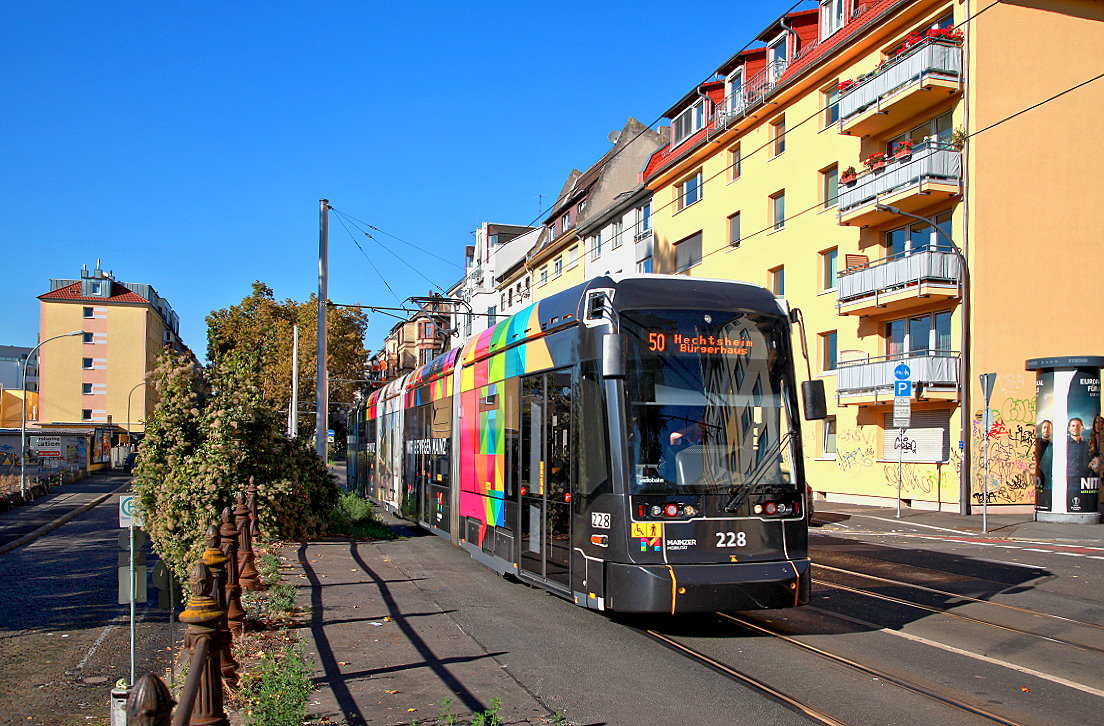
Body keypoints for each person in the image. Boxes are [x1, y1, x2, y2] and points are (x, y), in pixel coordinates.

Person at [1034, 419, 1052, 510]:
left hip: (1050, 477)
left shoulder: (1054, 444)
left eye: (1048, 427)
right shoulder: (1038, 443)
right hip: (1040, 475)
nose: (1046, 429)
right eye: (1044, 427)